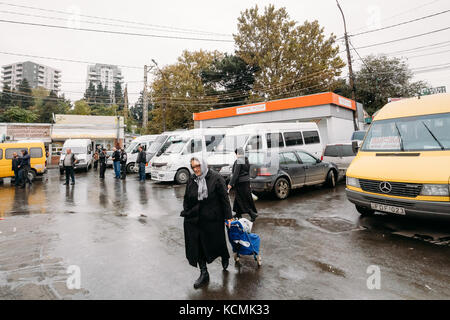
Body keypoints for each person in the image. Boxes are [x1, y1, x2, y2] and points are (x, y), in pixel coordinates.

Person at [182, 157, 233, 289]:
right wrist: (186, 211)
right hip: (195, 219)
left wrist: (228, 217)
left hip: (213, 220)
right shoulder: (192, 179)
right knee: (198, 245)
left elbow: (224, 199)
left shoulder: (216, 178)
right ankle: (204, 273)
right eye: (193, 167)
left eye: (198, 166)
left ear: (204, 165)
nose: (196, 169)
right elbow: (187, 198)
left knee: (217, 242)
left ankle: (224, 255)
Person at [228, 148, 258, 222]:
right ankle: (238, 214)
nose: (236, 155)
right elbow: (247, 171)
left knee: (243, 199)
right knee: (239, 198)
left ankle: (252, 214)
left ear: (238, 153)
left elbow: (236, 174)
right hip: (246, 182)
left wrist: (230, 183)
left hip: (240, 183)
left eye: (236, 153)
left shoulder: (239, 161)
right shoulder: (246, 160)